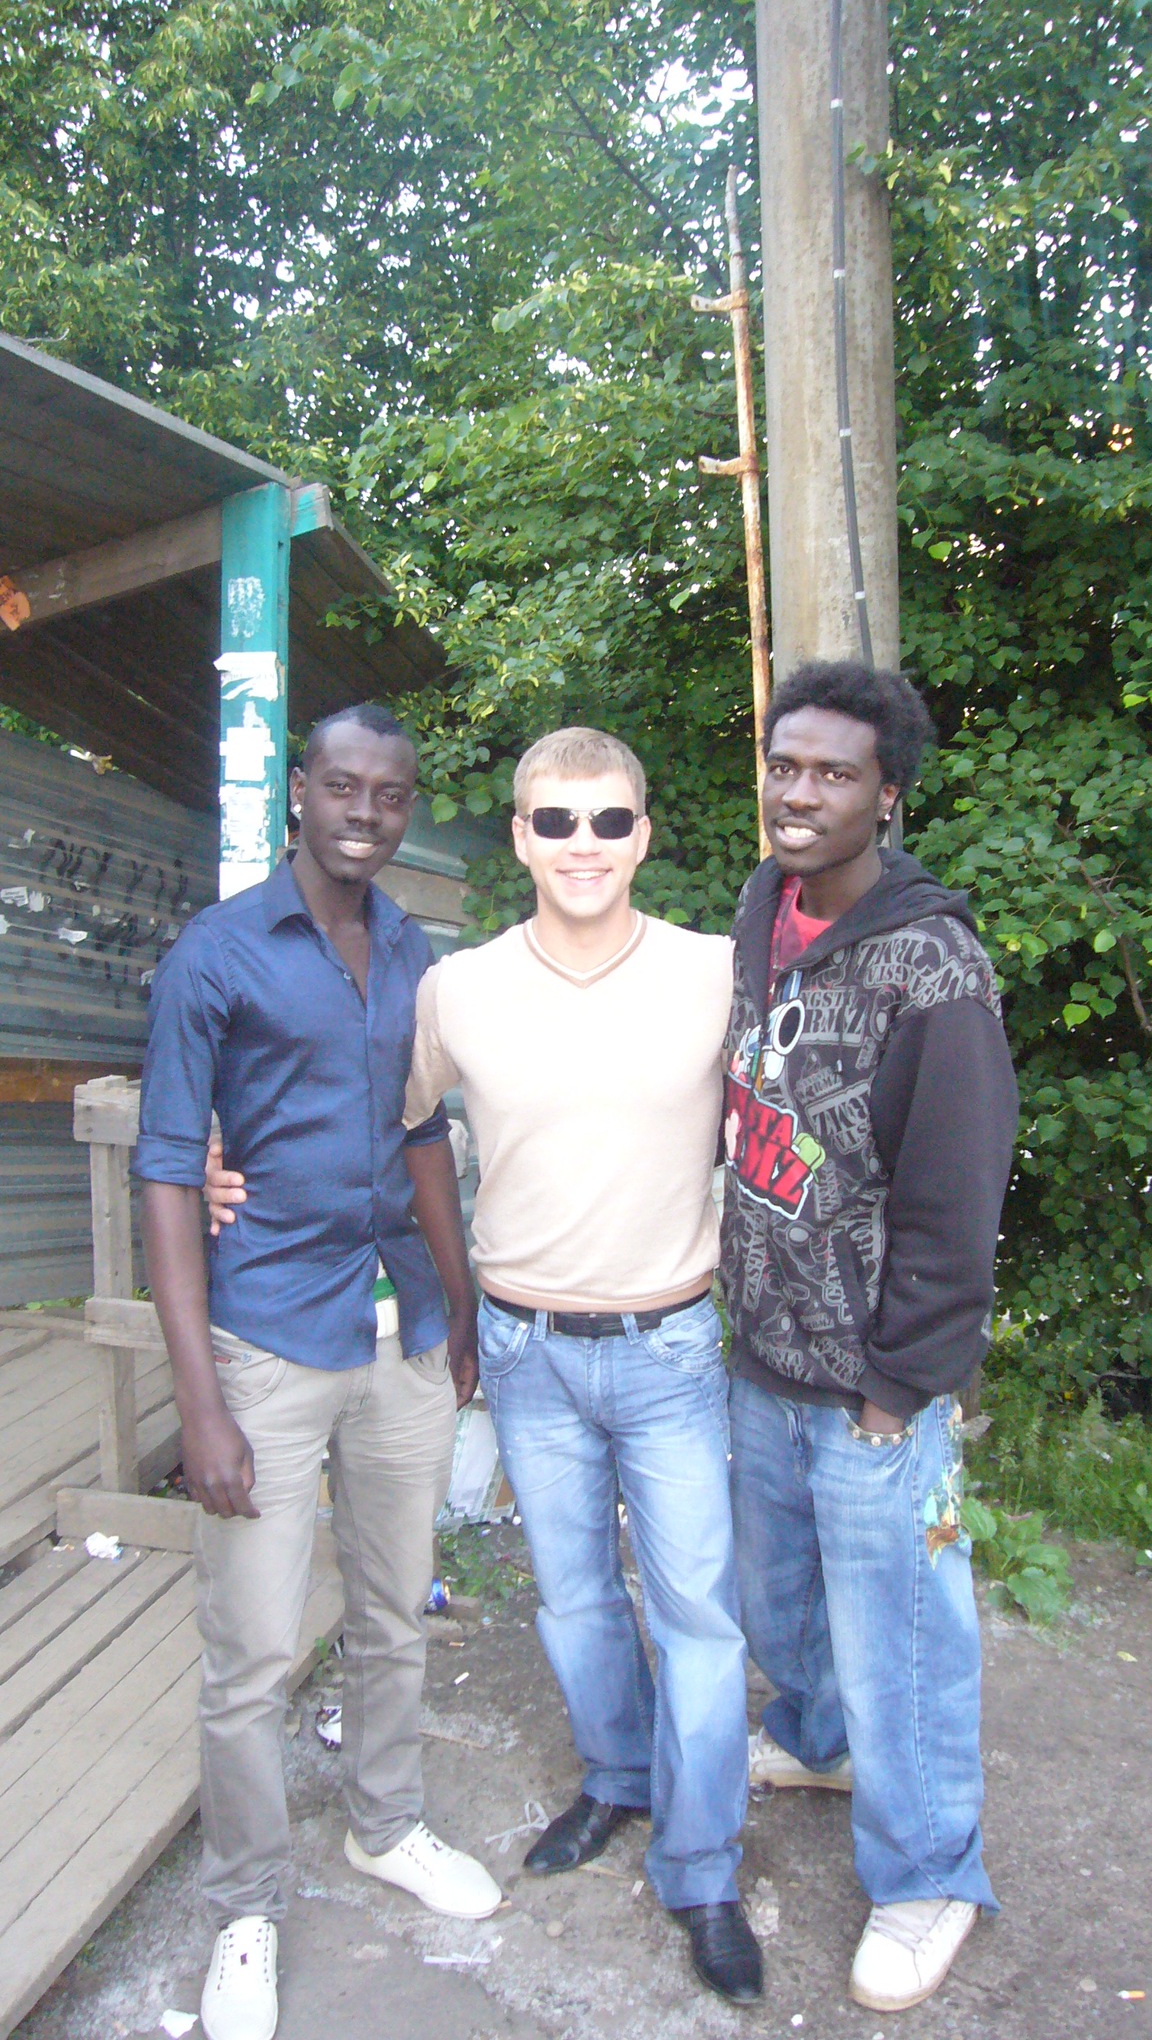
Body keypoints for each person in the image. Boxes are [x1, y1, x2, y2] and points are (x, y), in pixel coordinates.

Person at [211, 725, 761, 2006]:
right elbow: (377, 1113)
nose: (583, 844)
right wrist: (221, 1151)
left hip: (671, 1341)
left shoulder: (715, 971)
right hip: (525, 1348)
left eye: (609, 820)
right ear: (519, 836)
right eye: (555, 820)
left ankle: (704, 1868)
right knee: (574, 1598)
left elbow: (802, 1100)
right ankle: (616, 1778)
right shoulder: (457, 988)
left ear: (644, 833)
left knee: (698, 1616)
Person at [136, 703, 500, 2040]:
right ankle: (244, 1907)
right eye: (343, 786)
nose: (365, 812)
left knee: (394, 1608)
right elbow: (168, 1167)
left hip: (399, 1337)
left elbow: (423, 1134)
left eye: (390, 794)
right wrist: (200, 1403)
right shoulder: (218, 952)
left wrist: (460, 1305)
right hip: (269, 1341)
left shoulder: (413, 953)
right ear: (302, 791)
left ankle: (384, 1824)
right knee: (249, 1655)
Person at [722, 660, 1018, 2015]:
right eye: (786, 764)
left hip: (875, 1390)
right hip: (763, 1354)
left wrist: (902, 1386)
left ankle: (930, 1874)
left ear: (887, 795)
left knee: (904, 1633)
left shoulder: (935, 968)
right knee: (783, 1603)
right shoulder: (762, 906)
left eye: (833, 773)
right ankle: (819, 1742)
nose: (800, 791)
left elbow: (958, 1197)